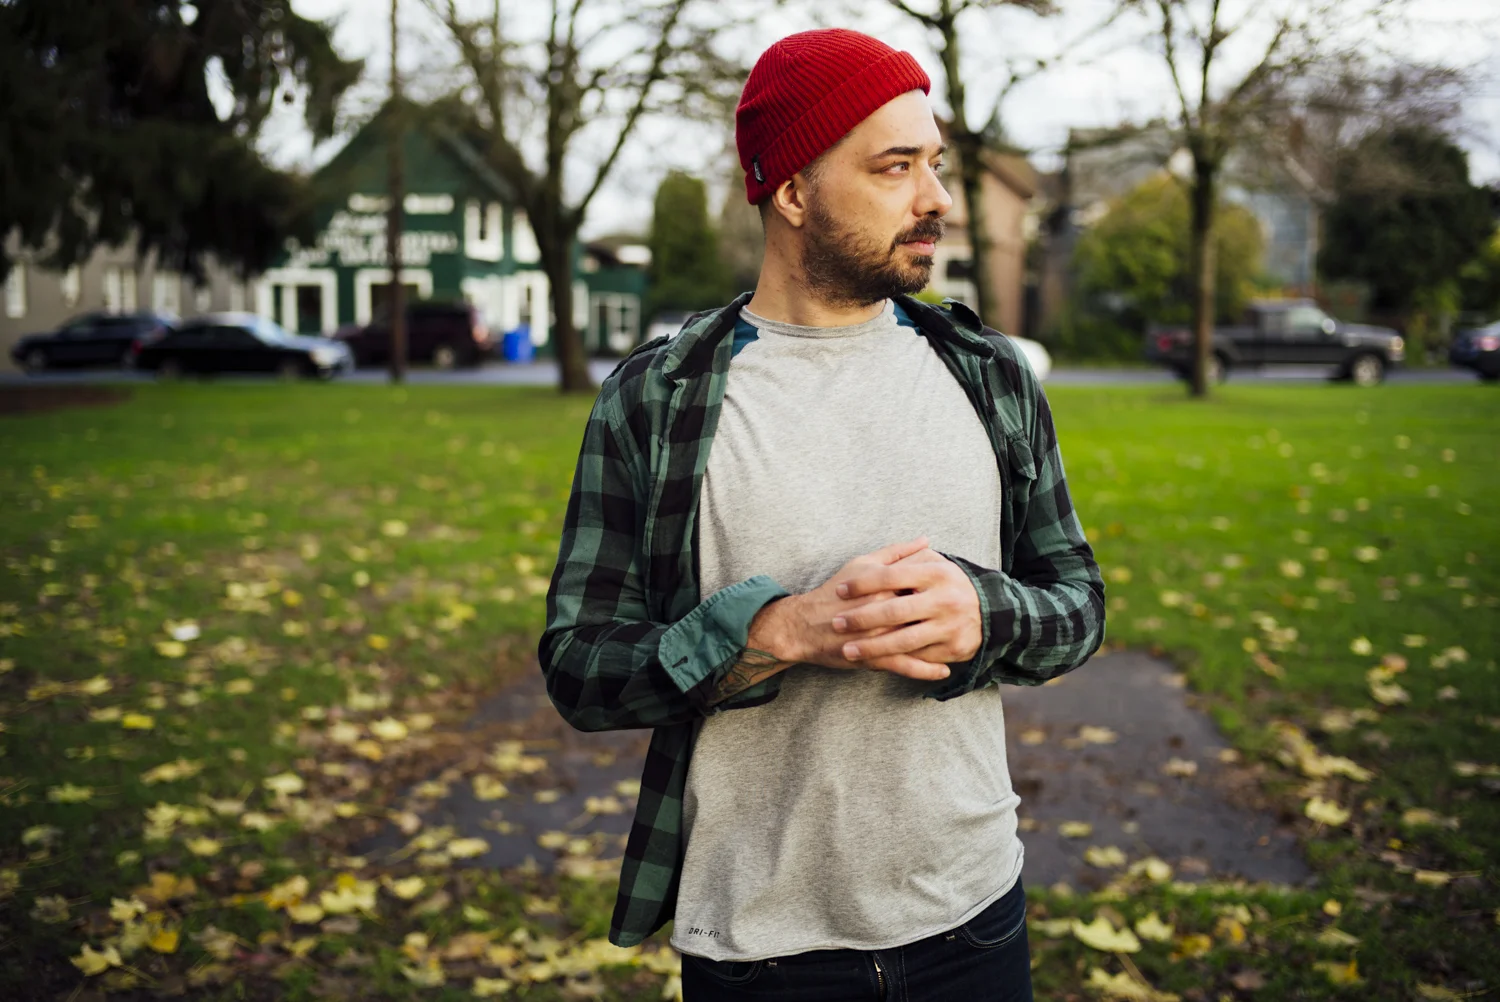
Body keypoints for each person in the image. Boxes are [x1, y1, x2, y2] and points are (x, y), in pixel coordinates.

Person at [540, 26, 1105, 1001]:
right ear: (792, 192)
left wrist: (986, 614)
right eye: (895, 168)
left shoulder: (993, 378)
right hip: (758, 947)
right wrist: (773, 632)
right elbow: (581, 668)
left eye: (935, 164)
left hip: (974, 920)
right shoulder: (655, 401)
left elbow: (1080, 606)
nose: (937, 200)